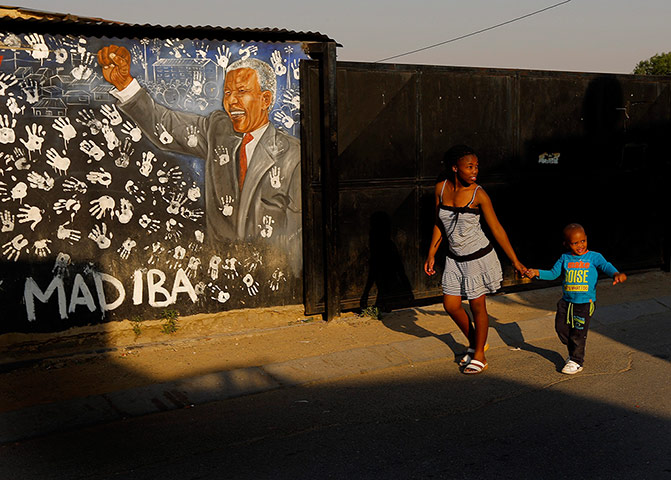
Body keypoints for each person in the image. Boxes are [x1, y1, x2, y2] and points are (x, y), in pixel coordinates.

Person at [96, 45, 302, 273]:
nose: (231, 101)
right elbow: (165, 125)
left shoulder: (293, 155)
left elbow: (297, 232)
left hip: (270, 274)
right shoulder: (218, 130)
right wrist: (125, 85)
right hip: (223, 273)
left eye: (241, 92)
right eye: (227, 93)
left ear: (265, 99)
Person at [424, 145, 526, 374]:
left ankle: (479, 353)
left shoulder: (478, 194)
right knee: (450, 305)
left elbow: (497, 228)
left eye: (476, 166)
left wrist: (515, 261)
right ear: (454, 167)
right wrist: (431, 252)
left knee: (477, 306)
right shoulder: (440, 188)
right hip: (454, 258)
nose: (474, 171)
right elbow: (440, 223)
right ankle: (477, 341)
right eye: (469, 166)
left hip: (478, 257)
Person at [525, 223, 627, 374]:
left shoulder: (594, 257)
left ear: (586, 239)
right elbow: (553, 274)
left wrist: (616, 274)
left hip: (584, 303)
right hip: (566, 302)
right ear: (566, 244)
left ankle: (576, 361)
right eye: (575, 243)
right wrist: (536, 273)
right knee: (561, 329)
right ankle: (573, 351)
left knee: (578, 333)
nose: (580, 246)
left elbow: (606, 265)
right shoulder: (565, 258)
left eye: (582, 241)